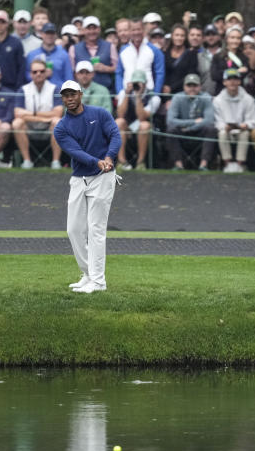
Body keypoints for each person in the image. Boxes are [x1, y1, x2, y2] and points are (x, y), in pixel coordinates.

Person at [53, 80, 121, 294]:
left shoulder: (100, 114)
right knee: (73, 229)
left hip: (103, 178)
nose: (69, 98)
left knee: (96, 230)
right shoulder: (61, 128)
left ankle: (99, 282)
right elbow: (76, 152)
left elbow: (115, 136)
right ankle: (89, 274)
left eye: (72, 94)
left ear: (80, 94)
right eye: (65, 95)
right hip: (80, 178)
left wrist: (109, 157)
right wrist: (98, 161)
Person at [12, 57, 63, 168]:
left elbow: (58, 112)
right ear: (31, 74)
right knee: (17, 123)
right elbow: (17, 113)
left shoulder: (55, 89)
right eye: (35, 72)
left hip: (48, 127)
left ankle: (55, 161)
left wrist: (30, 114)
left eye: (42, 71)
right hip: (29, 127)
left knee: (58, 121)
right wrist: (44, 117)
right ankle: (27, 161)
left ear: (46, 72)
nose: (38, 74)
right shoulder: (23, 89)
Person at [166, 73, 216, 170]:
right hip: (182, 133)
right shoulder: (177, 97)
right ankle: (178, 164)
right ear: (184, 86)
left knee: (211, 129)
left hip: (198, 132)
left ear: (200, 86)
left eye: (195, 85)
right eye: (189, 85)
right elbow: (170, 121)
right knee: (171, 130)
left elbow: (209, 120)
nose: (192, 88)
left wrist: (190, 128)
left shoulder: (206, 97)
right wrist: (193, 122)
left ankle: (203, 164)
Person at [114, 69, 160, 169]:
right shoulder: (124, 93)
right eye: (135, 82)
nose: (137, 85)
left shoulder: (154, 97)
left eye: (140, 82)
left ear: (145, 83)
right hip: (128, 127)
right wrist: (126, 95)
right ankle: (121, 161)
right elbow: (120, 114)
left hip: (145, 129)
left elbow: (142, 117)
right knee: (118, 122)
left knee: (144, 125)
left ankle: (140, 162)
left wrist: (138, 97)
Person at [213, 68, 255, 172]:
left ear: (239, 82)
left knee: (245, 133)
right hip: (226, 130)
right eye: (229, 79)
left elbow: (252, 121)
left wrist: (245, 125)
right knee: (222, 133)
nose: (232, 82)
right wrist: (224, 127)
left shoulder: (248, 99)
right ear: (224, 82)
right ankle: (228, 164)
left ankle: (239, 164)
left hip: (241, 129)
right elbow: (217, 121)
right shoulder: (217, 100)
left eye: (235, 79)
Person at [116, 19, 165, 98]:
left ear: (144, 30)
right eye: (133, 30)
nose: (136, 32)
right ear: (129, 31)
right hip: (127, 93)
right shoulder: (123, 50)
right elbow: (119, 73)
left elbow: (160, 73)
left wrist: (156, 94)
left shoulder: (155, 50)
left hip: (148, 93)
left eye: (138, 29)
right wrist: (120, 91)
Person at [69, 16, 117, 92]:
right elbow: (71, 72)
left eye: (94, 28)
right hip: (82, 93)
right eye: (89, 28)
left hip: (106, 92)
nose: (92, 31)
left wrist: (106, 69)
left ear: (99, 29)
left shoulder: (110, 46)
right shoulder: (74, 48)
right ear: (84, 30)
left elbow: (117, 68)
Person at [26, 22, 71, 87]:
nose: (49, 36)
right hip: (37, 92)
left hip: (58, 93)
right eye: (47, 33)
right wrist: (40, 75)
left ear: (55, 35)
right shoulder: (32, 55)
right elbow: (26, 76)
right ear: (42, 34)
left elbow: (69, 78)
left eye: (52, 33)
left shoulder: (64, 55)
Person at [163, 24, 198, 97]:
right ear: (172, 36)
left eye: (182, 35)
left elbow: (190, 74)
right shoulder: (165, 53)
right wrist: (165, 87)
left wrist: (172, 88)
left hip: (183, 93)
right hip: (165, 92)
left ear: (185, 38)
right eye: (177, 35)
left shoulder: (191, 54)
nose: (179, 38)